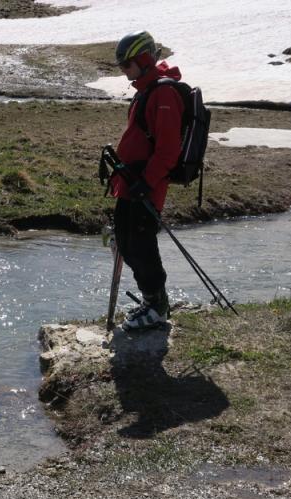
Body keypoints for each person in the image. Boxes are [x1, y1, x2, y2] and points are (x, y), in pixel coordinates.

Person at [110, 30, 184, 330]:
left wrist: (147, 182)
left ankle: (157, 305)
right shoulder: (147, 89)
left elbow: (168, 150)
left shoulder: (163, 93)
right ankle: (151, 299)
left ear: (142, 59)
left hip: (146, 186)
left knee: (140, 244)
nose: (124, 71)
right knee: (127, 242)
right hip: (132, 182)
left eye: (126, 65)